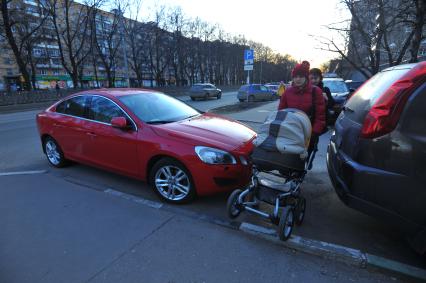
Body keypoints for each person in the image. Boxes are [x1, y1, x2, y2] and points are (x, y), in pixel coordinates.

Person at [278, 61, 326, 155]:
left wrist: (314, 133)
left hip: (308, 132)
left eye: (301, 76)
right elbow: (281, 112)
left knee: (303, 157)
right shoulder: (287, 92)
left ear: (306, 77)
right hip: (290, 130)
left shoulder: (315, 91)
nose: (298, 79)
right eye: (295, 76)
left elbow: (320, 116)